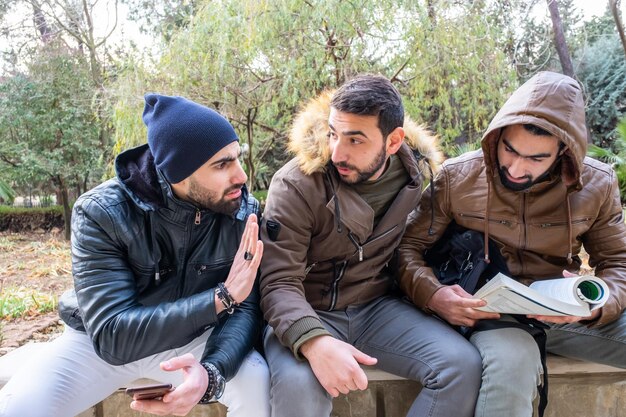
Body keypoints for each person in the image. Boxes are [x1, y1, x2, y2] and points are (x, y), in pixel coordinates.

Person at [0, 94, 270, 417]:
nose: (241, 176)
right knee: (21, 406)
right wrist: (219, 298)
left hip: (191, 341)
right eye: (223, 164)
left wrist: (211, 372)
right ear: (178, 173)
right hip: (100, 344)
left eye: (237, 158)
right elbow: (113, 335)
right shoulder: (100, 213)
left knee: (256, 383)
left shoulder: (241, 210)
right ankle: (34, 358)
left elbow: (245, 309)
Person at [397, 71, 626, 417]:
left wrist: (594, 308)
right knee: (512, 365)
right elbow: (405, 250)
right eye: (510, 150)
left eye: (536, 159)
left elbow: (619, 264)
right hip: (485, 311)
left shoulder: (599, 184)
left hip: (561, 313)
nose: (517, 168)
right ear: (498, 136)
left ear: (564, 152)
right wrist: (433, 294)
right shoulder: (457, 177)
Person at [259, 74, 483, 417]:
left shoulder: (415, 177)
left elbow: (403, 253)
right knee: (300, 388)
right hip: (306, 309)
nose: (337, 152)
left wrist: (432, 293)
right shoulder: (296, 184)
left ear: (393, 142)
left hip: (375, 308)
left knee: (460, 366)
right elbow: (277, 282)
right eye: (334, 134)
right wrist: (315, 342)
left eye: (355, 140)